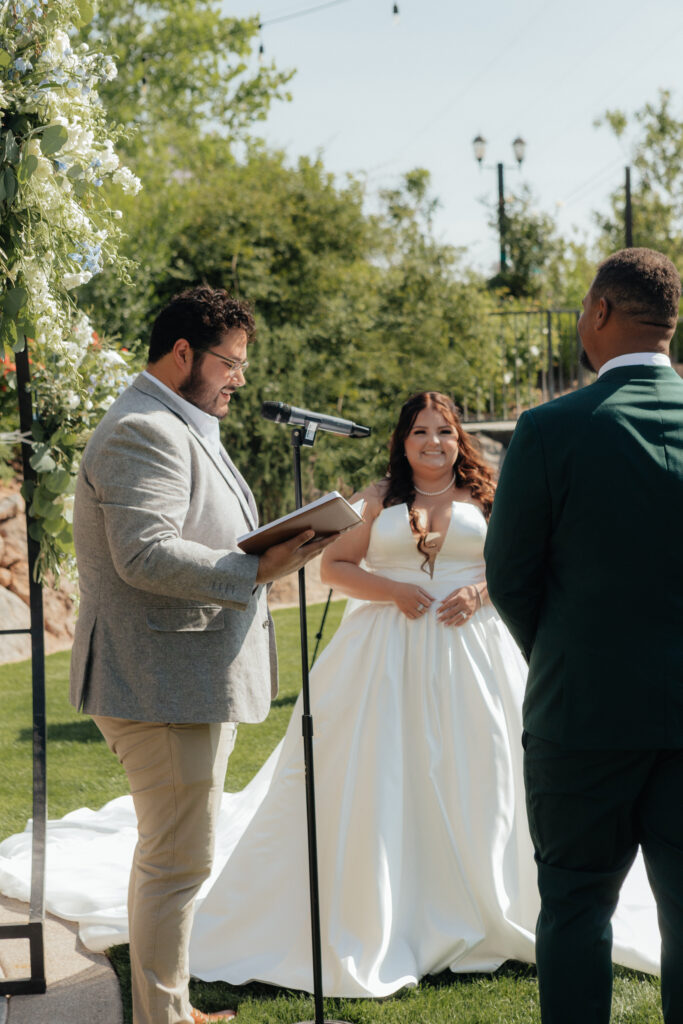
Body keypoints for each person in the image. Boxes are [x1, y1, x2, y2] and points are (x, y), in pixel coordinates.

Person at [69, 284, 336, 1024]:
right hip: (159, 683)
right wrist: (258, 567)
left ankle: (173, 1009)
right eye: (230, 361)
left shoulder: (177, 422)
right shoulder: (142, 428)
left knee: (176, 858)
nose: (239, 378)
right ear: (182, 351)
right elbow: (144, 555)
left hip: (178, 680)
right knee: (176, 863)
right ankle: (162, 1019)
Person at [484, 247, 683, 1024]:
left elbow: (510, 578)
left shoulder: (548, 430)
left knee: (573, 911)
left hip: (581, 718)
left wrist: (565, 656)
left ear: (599, 312)